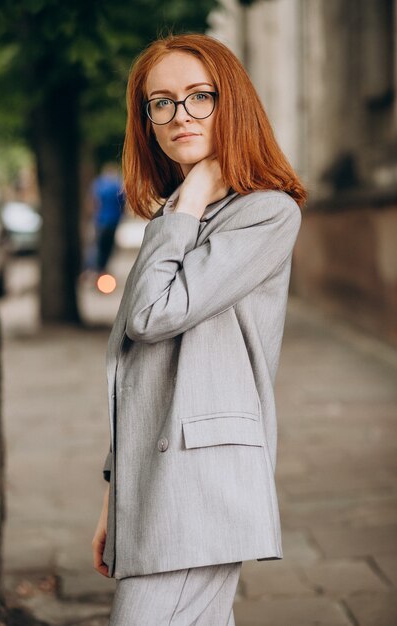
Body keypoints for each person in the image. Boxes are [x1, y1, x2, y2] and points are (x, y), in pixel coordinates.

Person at [91, 33, 307, 625]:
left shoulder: (266, 212)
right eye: (161, 102)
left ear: (230, 102)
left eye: (198, 96)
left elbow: (151, 316)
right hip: (156, 482)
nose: (179, 114)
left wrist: (190, 201)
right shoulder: (179, 212)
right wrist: (118, 495)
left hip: (201, 484)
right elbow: (135, 367)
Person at [86, 163, 125, 276]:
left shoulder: (98, 184)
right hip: (114, 221)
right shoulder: (117, 185)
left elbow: (93, 202)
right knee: (108, 246)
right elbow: (123, 203)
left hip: (100, 220)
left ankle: (96, 269)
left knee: (98, 246)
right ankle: (103, 269)